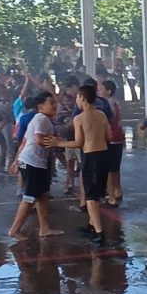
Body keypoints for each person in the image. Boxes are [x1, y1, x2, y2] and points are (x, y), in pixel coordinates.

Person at [42, 85, 110, 244]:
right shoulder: (102, 115)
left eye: (78, 97)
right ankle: (92, 225)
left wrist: (57, 142)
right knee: (97, 192)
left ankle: (99, 233)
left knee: (91, 197)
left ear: (83, 99)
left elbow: (79, 142)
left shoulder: (79, 118)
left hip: (90, 156)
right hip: (103, 155)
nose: (77, 101)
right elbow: (109, 136)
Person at [7, 92, 63, 238]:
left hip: (33, 161)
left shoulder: (41, 119)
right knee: (30, 197)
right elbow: (38, 139)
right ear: (41, 106)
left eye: (55, 102)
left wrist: (16, 160)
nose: (54, 105)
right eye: (51, 103)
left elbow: (25, 141)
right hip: (33, 162)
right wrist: (57, 141)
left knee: (43, 195)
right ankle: (14, 230)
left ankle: (44, 228)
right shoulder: (42, 119)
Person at [101, 80, 126, 207]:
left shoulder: (107, 103)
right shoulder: (116, 102)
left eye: (102, 88)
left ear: (108, 91)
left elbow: (109, 120)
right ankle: (118, 190)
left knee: (109, 169)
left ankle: (111, 196)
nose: (100, 90)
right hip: (118, 136)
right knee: (115, 167)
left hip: (111, 137)